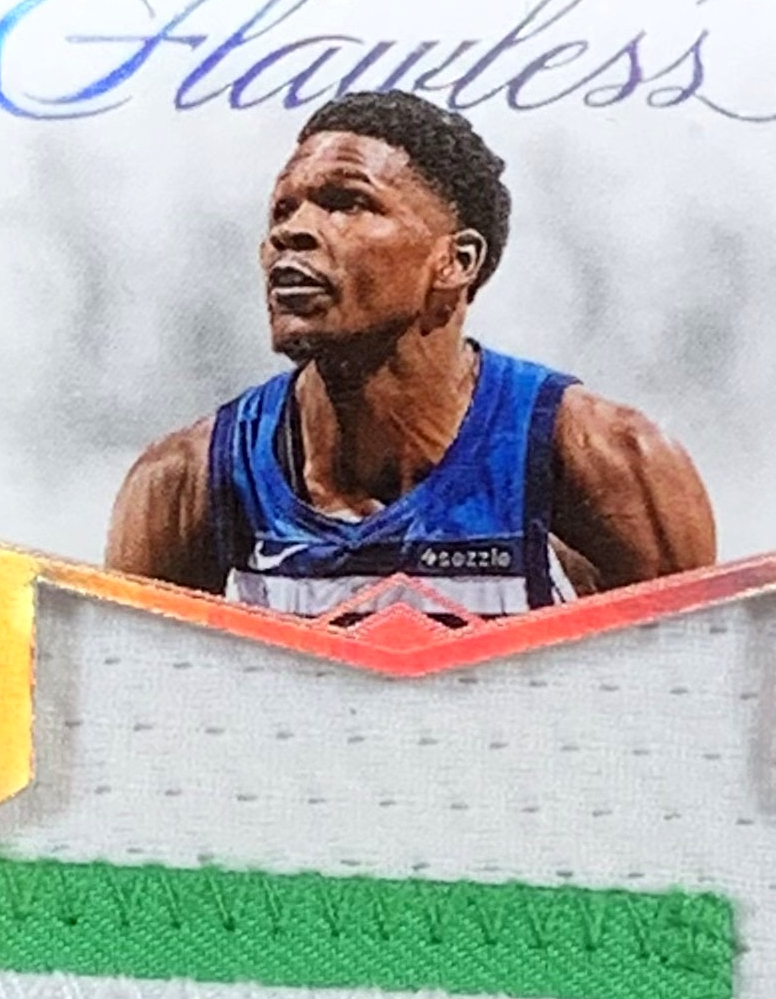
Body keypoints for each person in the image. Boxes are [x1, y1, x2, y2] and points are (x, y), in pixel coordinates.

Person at [105, 90, 715, 622]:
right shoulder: (186, 479)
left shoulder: (611, 461)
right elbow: (127, 709)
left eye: (346, 203)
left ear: (456, 261)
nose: (290, 232)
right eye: (282, 210)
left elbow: (691, 705)